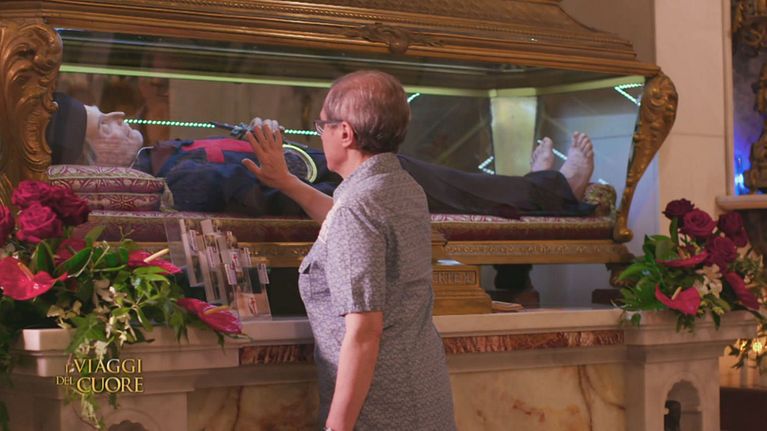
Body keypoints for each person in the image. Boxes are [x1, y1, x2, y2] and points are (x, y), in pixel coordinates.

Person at [242, 70, 457, 430]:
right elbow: (349, 225)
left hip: (383, 407)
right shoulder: (398, 185)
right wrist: (287, 182)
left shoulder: (358, 207)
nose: (320, 133)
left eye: (322, 124)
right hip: (422, 391)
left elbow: (363, 332)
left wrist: (337, 427)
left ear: (345, 133)